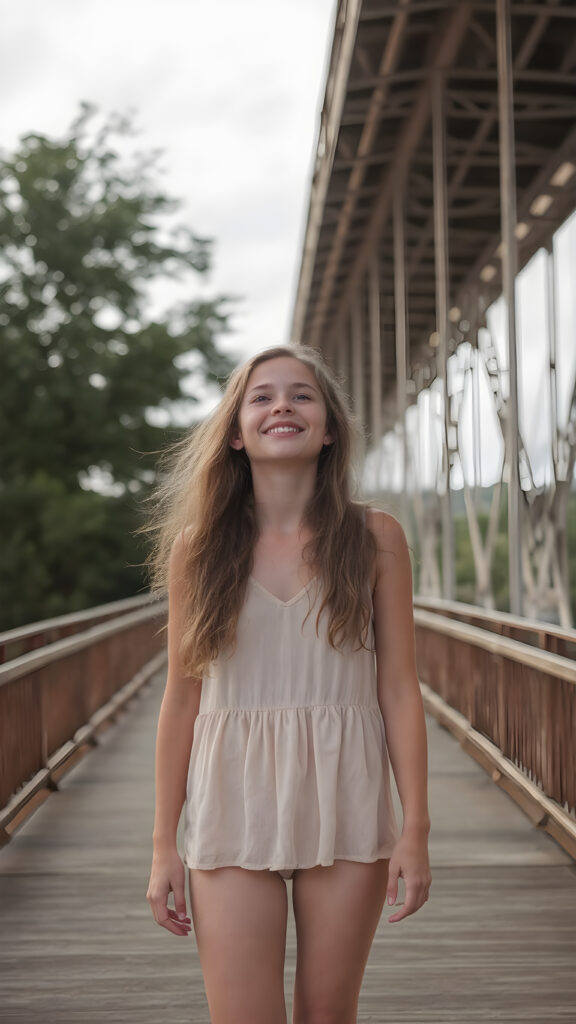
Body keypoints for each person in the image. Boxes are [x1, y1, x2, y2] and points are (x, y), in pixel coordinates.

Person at [145, 344, 431, 1023]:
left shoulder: (376, 538)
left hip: (347, 801)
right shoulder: (199, 549)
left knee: (329, 1016)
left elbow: (398, 689)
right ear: (236, 434)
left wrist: (415, 829)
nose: (282, 405)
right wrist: (162, 845)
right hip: (232, 800)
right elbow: (182, 699)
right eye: (261, 396)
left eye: (302, 395)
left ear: (329, 427)